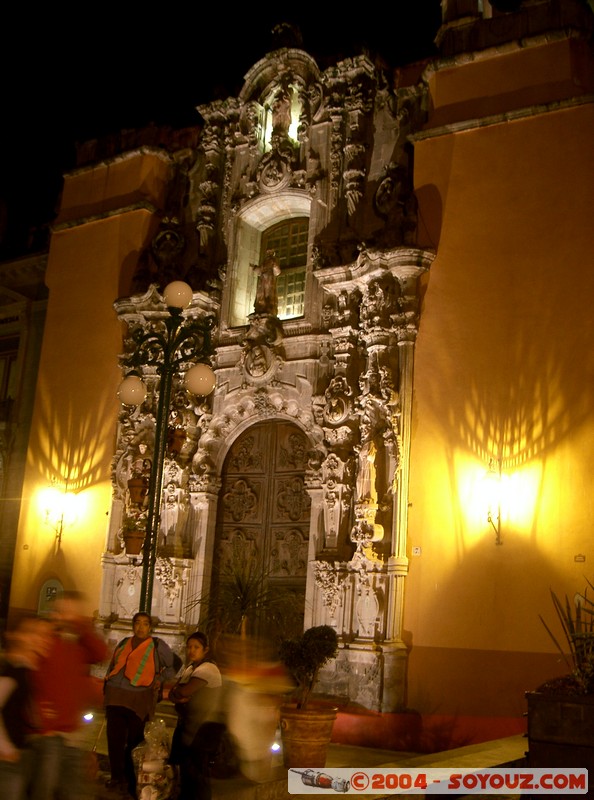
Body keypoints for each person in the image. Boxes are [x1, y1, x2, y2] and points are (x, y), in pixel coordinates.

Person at [28, 591, 108, 800]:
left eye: (73, 612)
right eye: (64, 611)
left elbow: (101, 654)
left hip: (74, 733)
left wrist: (82, 627)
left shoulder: (79, 644)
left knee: (74, 790)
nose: (68, 616)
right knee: (45, 789)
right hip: (49, 733)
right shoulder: (46, 640)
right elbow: (33, 678)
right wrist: (41, 717)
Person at [103, 612, 181, 797]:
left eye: (145, 624)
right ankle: (116, 777)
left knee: (134, 743)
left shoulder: (157, 645)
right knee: (114, 740)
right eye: (137, 623)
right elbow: (114, 664)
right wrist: (107, 683)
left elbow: (175, 664)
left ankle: (132, 781)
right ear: (133, 626)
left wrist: (160, 678)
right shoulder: (124, 643)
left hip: (139, 699)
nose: (140, 627)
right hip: (115, 696)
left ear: (150, 628)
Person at [0, 614, 51, 800]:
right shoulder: (13, 670)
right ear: (17, 636)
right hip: (9, 759)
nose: (41, 639)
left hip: (21, 753)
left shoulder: (27, 669)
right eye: (34, 634)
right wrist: (5, 748)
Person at [168, 632, 223, 800]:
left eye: (196, 647)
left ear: (205, 650)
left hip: (201, 730)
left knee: (198, 776)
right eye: (189, 647)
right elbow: (173, 694)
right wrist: (179, 694)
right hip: (188, 728)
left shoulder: (208, 669)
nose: (191, 651)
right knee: (187, 773)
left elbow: (184, 690)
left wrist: (180, 694)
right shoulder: (191, 668)